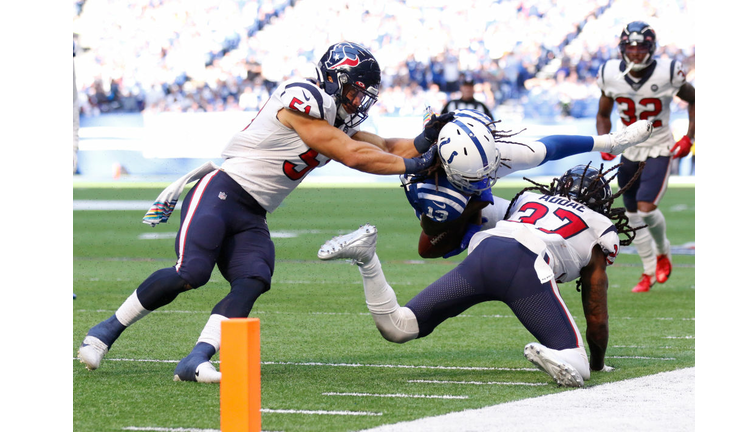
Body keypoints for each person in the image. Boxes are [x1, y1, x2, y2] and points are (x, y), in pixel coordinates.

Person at [77, 42, 454, 383]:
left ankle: (196, 358)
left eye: (363, 95)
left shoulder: (335, 118)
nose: (358, 101)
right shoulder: (303, 98)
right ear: (333, 78)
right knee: (191, 272)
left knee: (254, 276)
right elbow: (353, 155)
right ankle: (103, 333)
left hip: (252, 212)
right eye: (354, 90)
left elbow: (387, 146)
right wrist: (419, 165)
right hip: (220, 193)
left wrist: (429, 141)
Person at [318, 163, 644, 387]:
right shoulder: (601, 228)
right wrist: (599, 361)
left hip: (485, 253)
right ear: (602, 203)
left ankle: (367, 259)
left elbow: (461, 218)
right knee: (580, 366)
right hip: (525, 264)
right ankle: (555, 353)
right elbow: (597, 315)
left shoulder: (528, 199)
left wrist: (444, 200)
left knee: (399, 326)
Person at [401, 109, 653, 258]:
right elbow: (429, 239)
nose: (484, 179)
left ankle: (612, 140)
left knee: (536, 153)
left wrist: (610, 143)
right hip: (450, 195)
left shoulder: (488, 154)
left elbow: (551, 147)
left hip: (474, 165)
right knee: (433, 245)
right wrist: (475, 207)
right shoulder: (430, 188)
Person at [595, 21, 695, 293]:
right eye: (631, 46)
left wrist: (689, 137)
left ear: (651, 48)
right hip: (630, 148)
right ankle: (648, 271)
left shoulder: (667, 71)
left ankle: (663, 252)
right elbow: (603, 114)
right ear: (622, 48)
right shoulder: (609, 73)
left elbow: (694, 99)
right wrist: (606, 140)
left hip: (659, 146)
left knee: (646, 207)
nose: (636, 52)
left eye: (641, 47)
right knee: (630, 214)